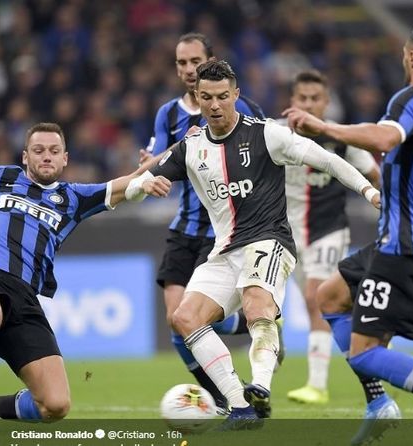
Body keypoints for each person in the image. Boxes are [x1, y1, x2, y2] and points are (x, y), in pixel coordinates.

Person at [126, 60, 380, 427]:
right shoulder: (191, 147)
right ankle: (240, 405)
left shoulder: (266, 135)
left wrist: (369, 191)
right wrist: (142, 186)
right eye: (207, 98)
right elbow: (140, 179)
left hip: (270, 241)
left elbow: (326, 159)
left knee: (256, 305)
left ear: (236, 96)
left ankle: (260, 385)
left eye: (223, 97)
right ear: (197, 97)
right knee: (184, 318)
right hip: (224, 251)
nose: (215, 105)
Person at [284, 24, 413, 446]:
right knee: (329, 297)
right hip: (407, 240)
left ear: (412, 58)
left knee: (365, 351)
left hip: (403, 245)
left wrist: (326, 129)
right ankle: (379, 404)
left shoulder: (412, 99)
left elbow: (385, 136)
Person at [0, 122, 170, 429]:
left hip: (26, 300)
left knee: (54, 405)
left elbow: (131, 180)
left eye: (53, 151)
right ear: (25, 156)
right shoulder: (0, 177)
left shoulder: (74, 198)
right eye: (38, 150)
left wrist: (181, 146)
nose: (46, 157)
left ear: (65, 158)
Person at [145, 32, 267, 413]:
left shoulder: (241, 105)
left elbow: (261, 159)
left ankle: (236, 378)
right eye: (181, 63)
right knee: (176, 321)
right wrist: (149, 169)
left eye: (194, 61)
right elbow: (156, 163)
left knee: (193, 318)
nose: (188, 69)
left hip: (225, 231)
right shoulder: (168, 113)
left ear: (211, 60)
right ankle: (222, 395)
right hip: (185, 227)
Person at [280, 70, 381, 405]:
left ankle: (317, 385)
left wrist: (392, 206)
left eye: (315, 98)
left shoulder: (341, 138)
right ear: (292, 102)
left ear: (326, 102)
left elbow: (373, 173)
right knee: (306, 304)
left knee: (315, 297)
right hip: (287, 234)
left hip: (329, 229)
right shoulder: (275, 135)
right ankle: (370, 333)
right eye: (302, 98)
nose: (309, 104)